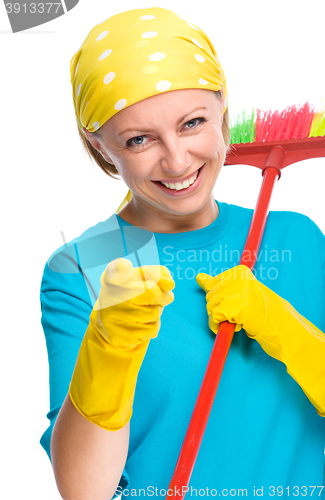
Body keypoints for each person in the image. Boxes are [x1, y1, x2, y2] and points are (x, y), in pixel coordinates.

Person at [40, 6, 325, 500]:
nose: (175, 160)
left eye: (192, 123)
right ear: (101, 146)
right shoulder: (84, 265)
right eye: (138, 139)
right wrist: (110, 348)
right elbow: (83, 491)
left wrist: (282, 327)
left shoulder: (294, 238)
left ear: (223, 109)